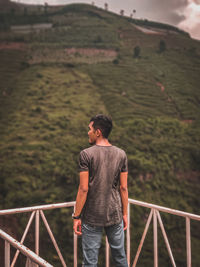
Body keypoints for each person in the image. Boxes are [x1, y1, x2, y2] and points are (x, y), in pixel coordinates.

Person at [73, 114, 129, 267]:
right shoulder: (121, 154)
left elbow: (83, 189)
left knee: (90, 262)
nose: (88, 132)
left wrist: (76, 216)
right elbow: (123, 187)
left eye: (89, 129)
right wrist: (125, 213)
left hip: (92, 215)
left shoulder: (86, 154)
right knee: (120, 257)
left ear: (98, 132)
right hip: (115, 213)